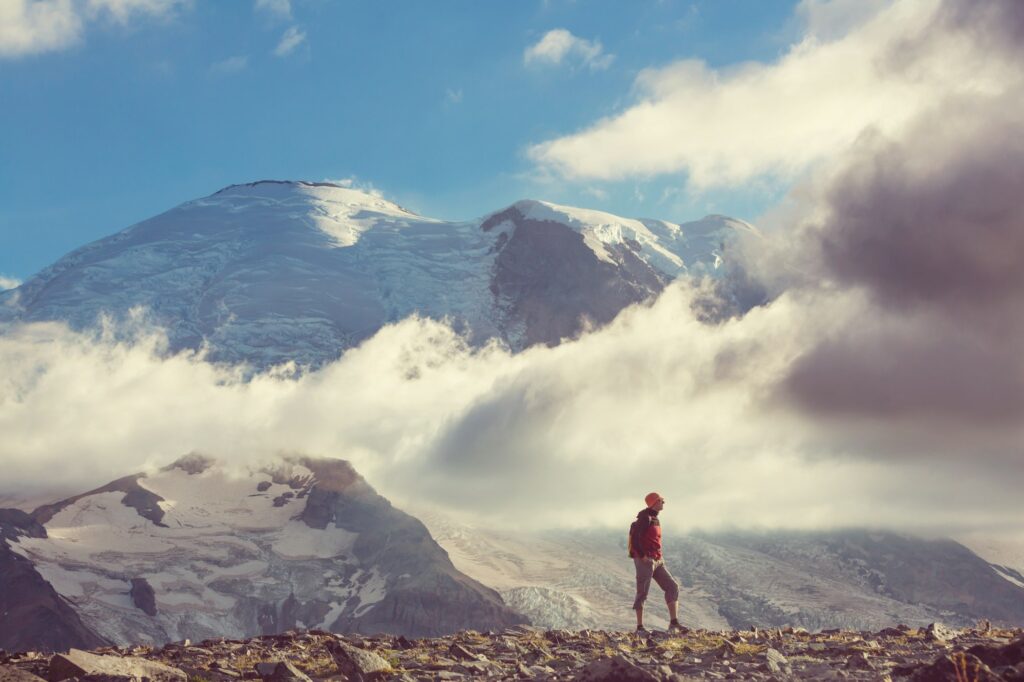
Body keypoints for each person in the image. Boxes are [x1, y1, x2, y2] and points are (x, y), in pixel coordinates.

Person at [631, 491, 684, 633]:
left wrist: (658, 558)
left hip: (657, 560)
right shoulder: (645, 518)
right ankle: (640, 627)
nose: (663, 503)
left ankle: (674, 623)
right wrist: (643, 556)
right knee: (642, 592)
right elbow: (636, 539)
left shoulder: (655, 519)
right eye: (661, 500)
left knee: (673, 587)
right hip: (646, 561)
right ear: (654, 502)